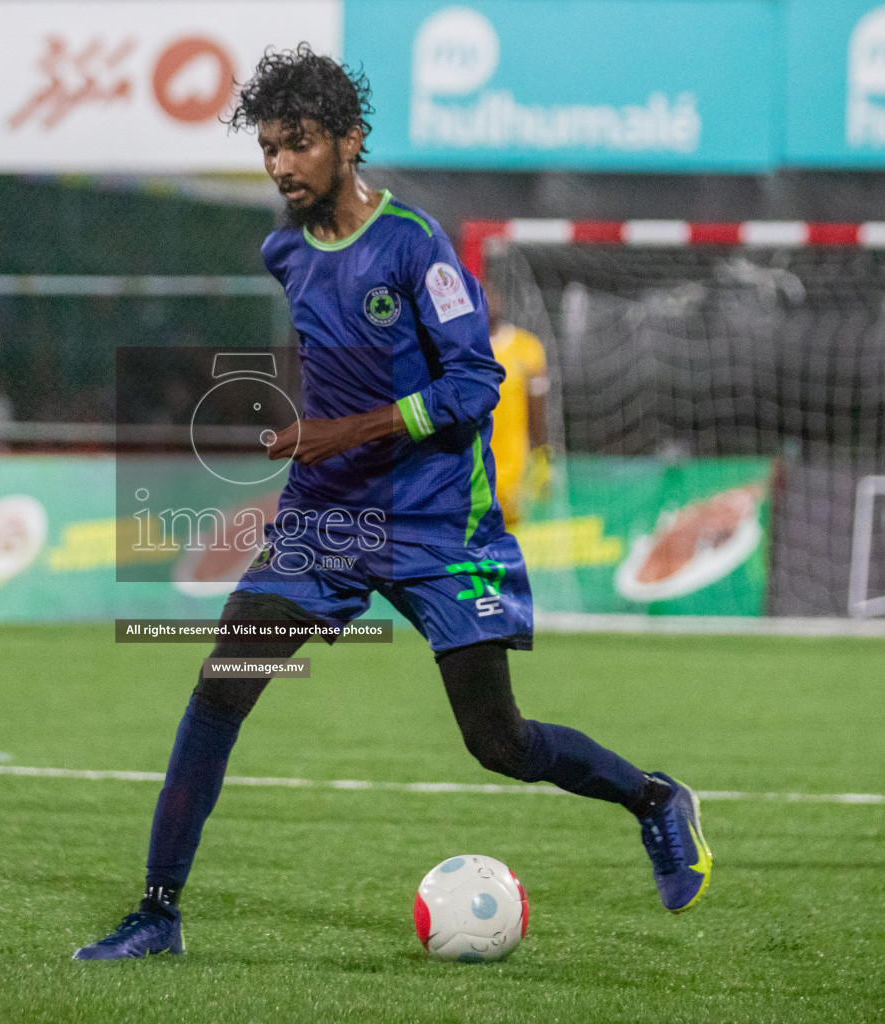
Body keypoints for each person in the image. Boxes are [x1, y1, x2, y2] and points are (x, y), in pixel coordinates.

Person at [73, 47, 711, 961]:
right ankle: (157, 912)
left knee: (496, 739)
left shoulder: (416, 244)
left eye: (297, 145)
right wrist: (315, 434)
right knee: (222, 685)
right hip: (326, 519)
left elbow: (474, 383)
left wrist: (345, 430)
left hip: (439, 521)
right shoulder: (282, 249)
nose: (281, 166)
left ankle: (654, 799)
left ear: (349, 141)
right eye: (267, 149)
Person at [484, 278, 552, 527]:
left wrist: (541, 453)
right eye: (481, 295)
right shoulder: (462, 349)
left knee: (507, 541)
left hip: (514, 466)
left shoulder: (527, 347)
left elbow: (537, 407)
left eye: (492, 293)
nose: (488, 300)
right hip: (473, 467)